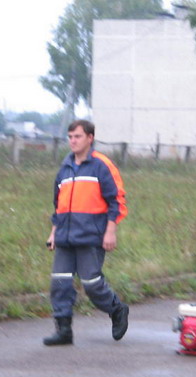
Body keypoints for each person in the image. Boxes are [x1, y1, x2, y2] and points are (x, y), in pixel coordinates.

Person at [43, 119, 129, 345]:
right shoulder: (65, 168)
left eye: (77, 136)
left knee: (92, 283)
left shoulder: (102, 165)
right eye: (70, 137)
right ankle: (64, 331)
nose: (73, 141)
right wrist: (54, 233)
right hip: (65, 236)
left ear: (90, 138)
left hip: (92, 236)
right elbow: (58, 206)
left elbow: (117, 201)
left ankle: (117, 310)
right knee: (59, 283)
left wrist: (110, 231)